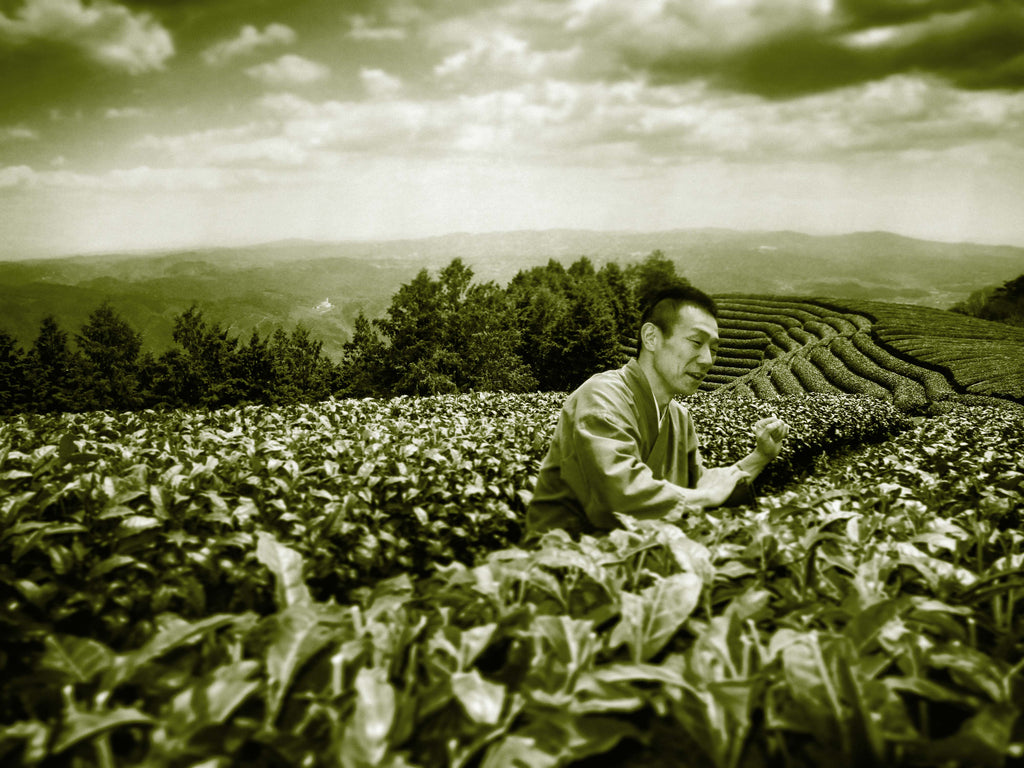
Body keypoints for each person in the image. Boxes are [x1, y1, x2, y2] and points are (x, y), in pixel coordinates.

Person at [526, 283, 789, 537]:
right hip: (563, 561)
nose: (708, 360)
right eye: (696, 342)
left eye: (714, 348)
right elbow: (620, 495)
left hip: (632, 561)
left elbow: (697, 488)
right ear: (651, 338)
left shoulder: (678, 417)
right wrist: (706, 496)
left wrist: (760, 456)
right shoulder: (602, 396)